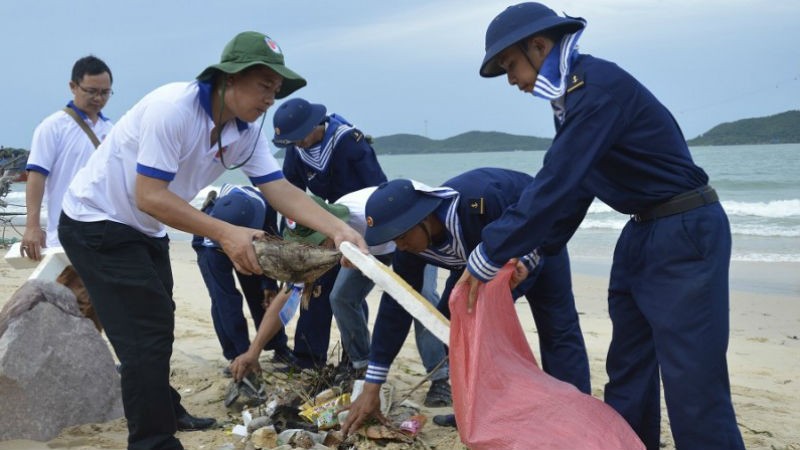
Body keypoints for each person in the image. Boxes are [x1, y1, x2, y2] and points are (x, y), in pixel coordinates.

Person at [57, 31, 367, 450]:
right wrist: (224, 233)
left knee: (158, 319)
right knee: (144, 332)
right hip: (96, 221)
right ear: (229, 78)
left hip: (147, 227)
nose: (269, 100)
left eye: (275, 90)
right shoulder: (175, 109)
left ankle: (163, 409)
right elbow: (148, 195)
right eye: (263, 86)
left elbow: (278, 188)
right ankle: (152, 441)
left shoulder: (247, 131)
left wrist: (338, 228)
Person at [462, 4, 745, 449]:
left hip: (684, 230)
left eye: (511, 65)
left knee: (694, 386)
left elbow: (557, 178)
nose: (512, 80)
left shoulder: (596, 88)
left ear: (540, 45)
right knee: (628, 376)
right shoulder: (572, 100)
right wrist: (534, 252)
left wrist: (490, 251)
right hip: (640, 232)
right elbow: (578, 187)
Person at [341, 168, 590, 435]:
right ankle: (479, 411)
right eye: (393, 240)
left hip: (538, 239)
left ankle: (573, 415)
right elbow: (396, 308)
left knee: (557, 329)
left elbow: (546, 213)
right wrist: (372, 385)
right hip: (477, 260)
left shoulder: (480, 202)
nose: (400, 246)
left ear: (423, 217)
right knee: (451, 323)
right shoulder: (411, 249)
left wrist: (526, 259)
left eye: (402, 236)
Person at [231, 191, 452, 407]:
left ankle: (439, 378)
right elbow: (288, 296)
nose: (314, 250)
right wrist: (254, 351)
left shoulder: (365, 213)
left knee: (423, 299)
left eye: (316, 243)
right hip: (364, 248)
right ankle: (362, 366)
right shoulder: (325, 244)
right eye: (306, 246)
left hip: (405, 235)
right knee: (341, 297)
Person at [271, 98, 387, 369]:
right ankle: (307, 359)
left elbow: (378, 189)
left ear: (314, 125)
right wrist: (289, 240)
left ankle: (353, 359)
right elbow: (290, 195)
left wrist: (371, 234)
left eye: (298, 137)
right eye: (290, 142)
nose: (296, 144)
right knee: (315, 288)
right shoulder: (296, 149)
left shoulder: (349, 142)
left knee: (348, 294)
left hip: (359, 224)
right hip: (324, 225)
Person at [192, 184, 295, 372]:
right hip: (212, 243)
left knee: (260, 292)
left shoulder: (265, 205)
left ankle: (279, 347)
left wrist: (268, 283)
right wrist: (243, 353)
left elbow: (271, 243)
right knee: (224, 298)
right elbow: (224, 298)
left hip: (251, 238)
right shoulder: (209, 227)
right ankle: (237, 355)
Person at [22, 55, 114, 261]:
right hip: (65, 234)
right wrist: (32, 226)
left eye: (105, 92)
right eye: (91, 91)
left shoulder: (112, 130)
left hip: (105, 234)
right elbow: (36, 177)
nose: (98, 98)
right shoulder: (52, 127)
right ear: (73, 86)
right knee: (63, 293)